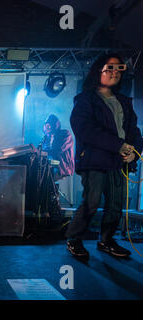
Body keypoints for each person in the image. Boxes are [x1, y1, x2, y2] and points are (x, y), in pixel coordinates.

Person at [66, 54, 143, 259]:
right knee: (91, 202)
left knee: (116, 204)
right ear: (98, 70)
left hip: (118, 162)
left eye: (119, 68)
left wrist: (134, 153)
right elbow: (85, 130)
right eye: (110, 68)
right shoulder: (85, 100)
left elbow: (134, 131)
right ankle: (74, 239)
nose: (115, 72)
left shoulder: (124, 101)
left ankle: (107, 240)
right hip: (95, 160)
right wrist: (118, 145)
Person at [41, 114, 74, 181]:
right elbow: (41, 150)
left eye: (50, 124)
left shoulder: (65, 134)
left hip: (63, 168)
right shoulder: (46, 138)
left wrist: (44, 152)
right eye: (46, 125)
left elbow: (59, 149)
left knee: (46, 179)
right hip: (49, 166)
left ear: (56, 125)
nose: (48, 127)